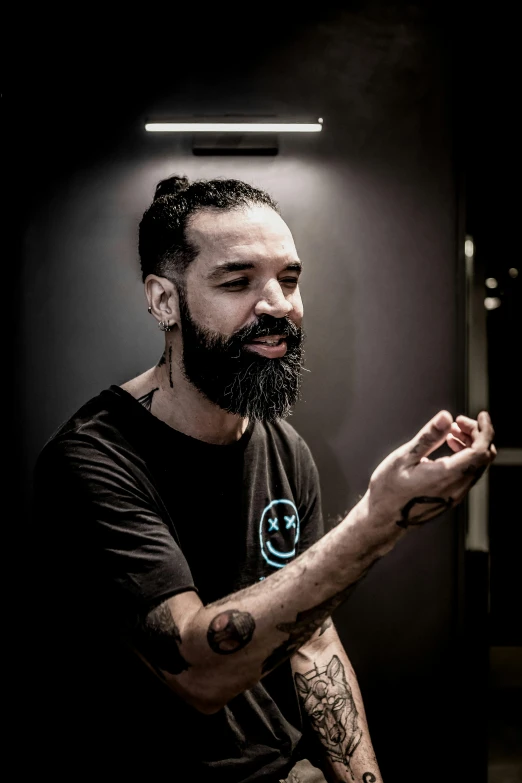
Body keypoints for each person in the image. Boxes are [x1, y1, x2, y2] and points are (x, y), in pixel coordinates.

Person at [33, 175, 496, 782]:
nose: (278, 305)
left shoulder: (282, 446)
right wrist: (377, 521)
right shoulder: (92, 461)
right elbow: (199, 671)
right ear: (164, 301)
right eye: (237, 281)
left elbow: (313, 644)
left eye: (289, 279)